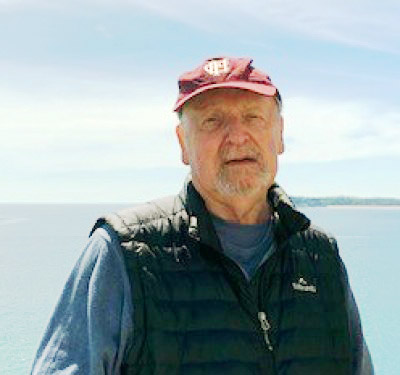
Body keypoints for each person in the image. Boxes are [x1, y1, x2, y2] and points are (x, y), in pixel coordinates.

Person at [31, 56, 374, 375]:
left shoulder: (321, 256)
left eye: (253, 117)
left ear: (279, 134)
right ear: (183, 143)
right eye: (213, 120)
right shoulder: (125, 252)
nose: (237, 136)